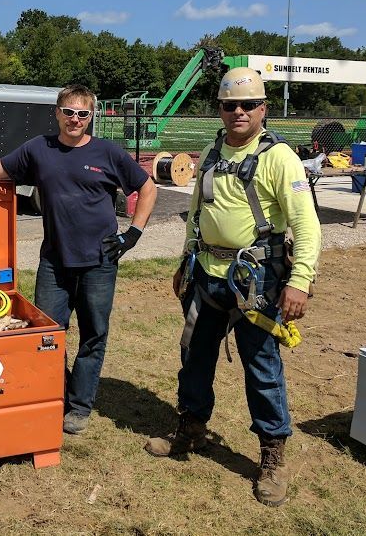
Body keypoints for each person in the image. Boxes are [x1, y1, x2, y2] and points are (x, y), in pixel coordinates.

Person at [0, 84, 157, 435]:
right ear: (57, 113)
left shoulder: (108, 152)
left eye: (83, 114)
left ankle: (79, 406)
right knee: (47, 333)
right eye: (69, 112)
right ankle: (54, 394)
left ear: (91, 117)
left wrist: (133, 234)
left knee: (93, 335)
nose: (75, 119)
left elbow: (147, 187)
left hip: (100, 261)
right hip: (54, 262)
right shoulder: (39, 149)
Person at [144, 67, 320, 508]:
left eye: (247, 105)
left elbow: (306, 224)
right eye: (229, 105)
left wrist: (299, 280)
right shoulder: (211, 150)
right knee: (194, 357)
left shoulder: (280, 158)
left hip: (257, 280)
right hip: (207, 275)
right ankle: (192, 427)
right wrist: (186, 259)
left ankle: (273, 454)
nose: (238, 112)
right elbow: (197, 211)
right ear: (219, 109)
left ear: (263, 108)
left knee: (261, 367)